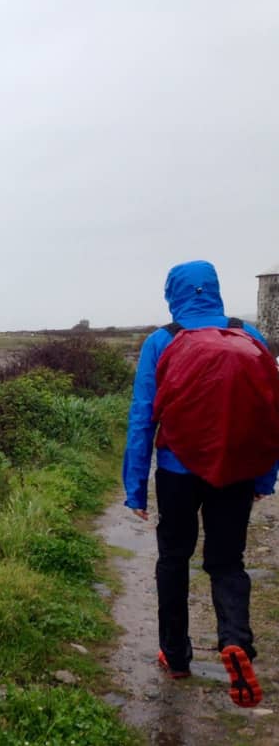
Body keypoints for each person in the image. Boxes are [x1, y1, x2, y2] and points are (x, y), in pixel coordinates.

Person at [123, 259, 279, 708]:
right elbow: (269, 414)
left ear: (173, 293)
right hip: (235, 470)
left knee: (174, 558)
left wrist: (135, 486)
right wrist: (264, 477)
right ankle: (235, 641)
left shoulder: (161, 341)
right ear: (214, 290)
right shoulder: (251, 338)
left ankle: (175, 655)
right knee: (227, 562)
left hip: (176, 471)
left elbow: (141, 418)